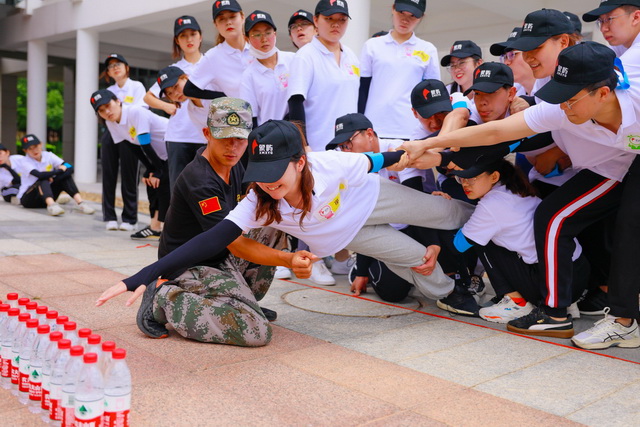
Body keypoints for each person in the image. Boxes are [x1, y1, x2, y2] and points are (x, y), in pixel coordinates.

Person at [97, 120, 478, 329]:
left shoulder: (331, 165)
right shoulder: (260, 200)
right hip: (351, 233)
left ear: (300, 162)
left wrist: (430, 157)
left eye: (276, 172)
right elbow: (214, 237)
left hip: (371, 198)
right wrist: (143, 275)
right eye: (261, 173)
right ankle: (450, 293)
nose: (268, 183)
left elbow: (381, 160)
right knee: (416, 258)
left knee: (449, 214)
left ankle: (491, 222)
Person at [401, 41, 637, 341]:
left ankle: (617, 318)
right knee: (553, 216)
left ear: (602, 93)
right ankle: (563, 315)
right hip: (609, 166)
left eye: (570, 99)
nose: (563, 106)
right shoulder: (561, 109)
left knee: (628, 226)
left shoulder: (635, 104)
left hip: (628, 163)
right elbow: (496, 132)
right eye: (559, 97)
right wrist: (429, 144)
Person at [109, 98, 315, 346]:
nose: (232, 147)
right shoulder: (200, 179)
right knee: (256, 332)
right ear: (207, 133)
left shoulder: (236, 164)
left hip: (220, 257)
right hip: (189, 265)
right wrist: (287, 259)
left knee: (272, 217)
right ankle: (163, 299)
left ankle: (240, 303)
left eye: (240, 139)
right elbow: (234, 242)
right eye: (224, 137)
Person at [326, 113, 478, 313]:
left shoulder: (398, 150)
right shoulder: (351, 165)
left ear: (369, 134)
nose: (346, 150)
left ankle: (459, 277)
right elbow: (361, 218)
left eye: (348, 143)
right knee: (393, 292)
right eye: (341, 147)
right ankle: (368, 266)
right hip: (385, 233)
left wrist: (433, 245)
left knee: (446, 211)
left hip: (419, 223)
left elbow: (415, 204)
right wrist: (362, 271)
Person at [445, 153, 587, 328]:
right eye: (461, 178)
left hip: (550, 284)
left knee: (481, 240)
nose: (465, 184)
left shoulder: (491, 205)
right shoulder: (516, 189)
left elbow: (458, 245)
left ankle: (516, 303)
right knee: (486, 234)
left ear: (494, 176)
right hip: (574, 276)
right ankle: (568, 305)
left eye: (471, 178)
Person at [91, 89, 170, 240]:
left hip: (174, 147)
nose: (107, 112)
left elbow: (145, 143)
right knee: (151, 183)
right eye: (101, 110)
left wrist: (158, 170)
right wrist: (150, 169)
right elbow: (133, 147)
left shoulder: (135, 112)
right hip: (160, 156)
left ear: (118, 101)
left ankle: (169, 230)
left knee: (165, 184)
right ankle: (155, 227)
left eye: (108, 105)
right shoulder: (111, 123)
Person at [358, 0, 440, 140]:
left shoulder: (427, 49)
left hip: (412, 130)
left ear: (421, 17)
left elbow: (432, 95)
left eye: (412, 16)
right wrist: (359, 126)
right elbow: (362, 89)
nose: (405, 20)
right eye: (401, 13)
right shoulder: (372, 46)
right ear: (393, 9)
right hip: (374, 128)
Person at [143, 16, 207, 190]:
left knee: (206, 188)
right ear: (177, 41)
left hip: (206, 136)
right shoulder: (174, 70)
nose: (189, 39)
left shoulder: (210, 63)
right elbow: (148, 97)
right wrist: (166, 106)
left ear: (200, 36)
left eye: (193, 34)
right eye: (183, 36)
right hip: (178, 137)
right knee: (179, 190)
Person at [287, 0, 360, 152]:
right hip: (318, 147)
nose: (336, 24)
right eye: (329, 18)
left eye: (342, 20)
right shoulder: (305, 56)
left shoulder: (351, 55)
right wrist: (303, 144)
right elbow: (295, 103)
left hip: (350, 147)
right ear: (316, 20)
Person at [99, 53, 147, 232]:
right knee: (108, 175)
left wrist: (121, 111)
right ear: (108, 72)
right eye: (111, 66)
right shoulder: (108, 91)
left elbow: (142, 108)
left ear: (126, 67)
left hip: (130, 134)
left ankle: (130, 218)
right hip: (111, 133)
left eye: (118, 64)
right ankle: (109, 217)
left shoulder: (137, 86)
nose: (115, 68)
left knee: (129, 175)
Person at [184, 0, 251, 100]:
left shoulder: (258, 46)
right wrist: (225, 98)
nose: (228, 22)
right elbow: (189, 90)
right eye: (221, 19)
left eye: (232, 16)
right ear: (215, 24)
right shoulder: (213, 56)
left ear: (242, 17)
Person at [15, 135, 95, 216]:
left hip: (46, 196)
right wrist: (59, 171)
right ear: (25, 150)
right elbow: (40, 175)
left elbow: (69, 167)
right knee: (43, 179)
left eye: (35, 146)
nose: (34, 150)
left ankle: (80, 203)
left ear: (41, 144)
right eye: (30, 148)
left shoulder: (49, 155)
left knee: (65, 177)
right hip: (29, 199)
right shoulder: (25, 161)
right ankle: (52, 206)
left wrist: (60, 172)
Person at [240, 10, 295, 126]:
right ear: (246, 39)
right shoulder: (249, 76)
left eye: (268, 32)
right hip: (270, 134)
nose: (264, 39)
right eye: (257, 35)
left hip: (299, 131)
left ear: (275, 33)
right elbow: (250, 118)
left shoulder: (293, 60)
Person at [583, 0, 640, 75]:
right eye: (601, 21)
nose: (603, 29)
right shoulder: (622, 43)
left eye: (609, 19)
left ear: (636, 17)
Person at [490, 27, 536, 97]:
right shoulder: (513, 96)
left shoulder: (552, 90)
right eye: (504, 57)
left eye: (511, 54)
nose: (506, 63)